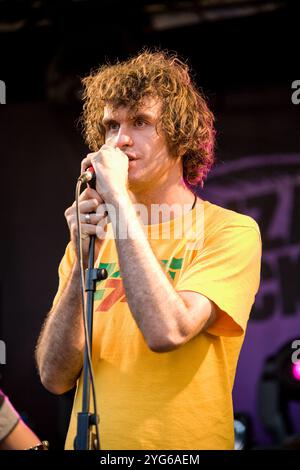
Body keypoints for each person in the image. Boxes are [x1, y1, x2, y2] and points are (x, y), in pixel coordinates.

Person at [35, 50, 262, 450]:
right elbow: (54, 377)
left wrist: (119, 203)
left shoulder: (229, 231)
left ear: (181, 136)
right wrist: (81, 262)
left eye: (140, 123)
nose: (119, 140)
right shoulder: (92, 237)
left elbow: (167, 331)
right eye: (111, 125)